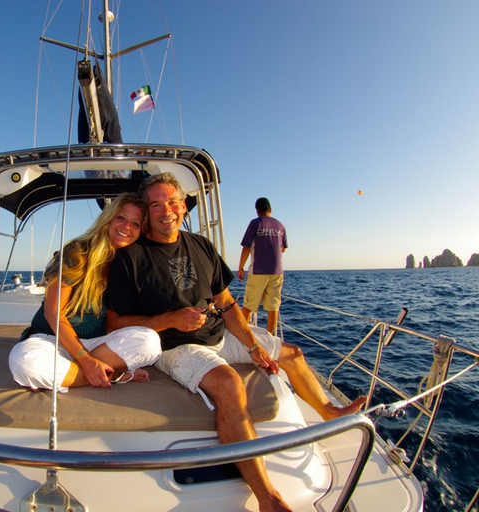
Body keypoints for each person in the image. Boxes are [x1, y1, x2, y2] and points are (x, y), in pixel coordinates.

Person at [105, 173, 366, 512]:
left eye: (171, 202)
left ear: (183, 207)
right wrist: (169, 319)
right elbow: (115, 323)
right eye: (155, 204)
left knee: (293, 354)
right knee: (229, 385)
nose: (165, 210)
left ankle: (329, 412)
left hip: (219, 332)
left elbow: (226, 303)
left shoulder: (200, 245)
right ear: (148, 210)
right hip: (174, 346)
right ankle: (267, 498)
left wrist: (254, 345)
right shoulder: (131, 258)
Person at [9, 193, 162, 391]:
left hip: (96, 345)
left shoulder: (129, 266)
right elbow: (53, 313)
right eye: (121, 218)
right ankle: (113, 375)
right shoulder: (77, 252)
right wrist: (86, 361)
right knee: (24, 362)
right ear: (108, 219)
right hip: (52, 339)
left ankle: (68, 375)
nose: (126, 227)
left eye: (136, 224)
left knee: (149, 342)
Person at [238, 197, 288, 335]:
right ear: (270, 210)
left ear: (257, 211)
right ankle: (271, 337)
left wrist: (241, 267)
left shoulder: (255, 223)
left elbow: (247, 247)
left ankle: (242, 336)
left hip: (258, 271)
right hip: (277, 272)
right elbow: (283, 248)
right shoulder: (280, 226)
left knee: (248, 305)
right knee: (273, 307)